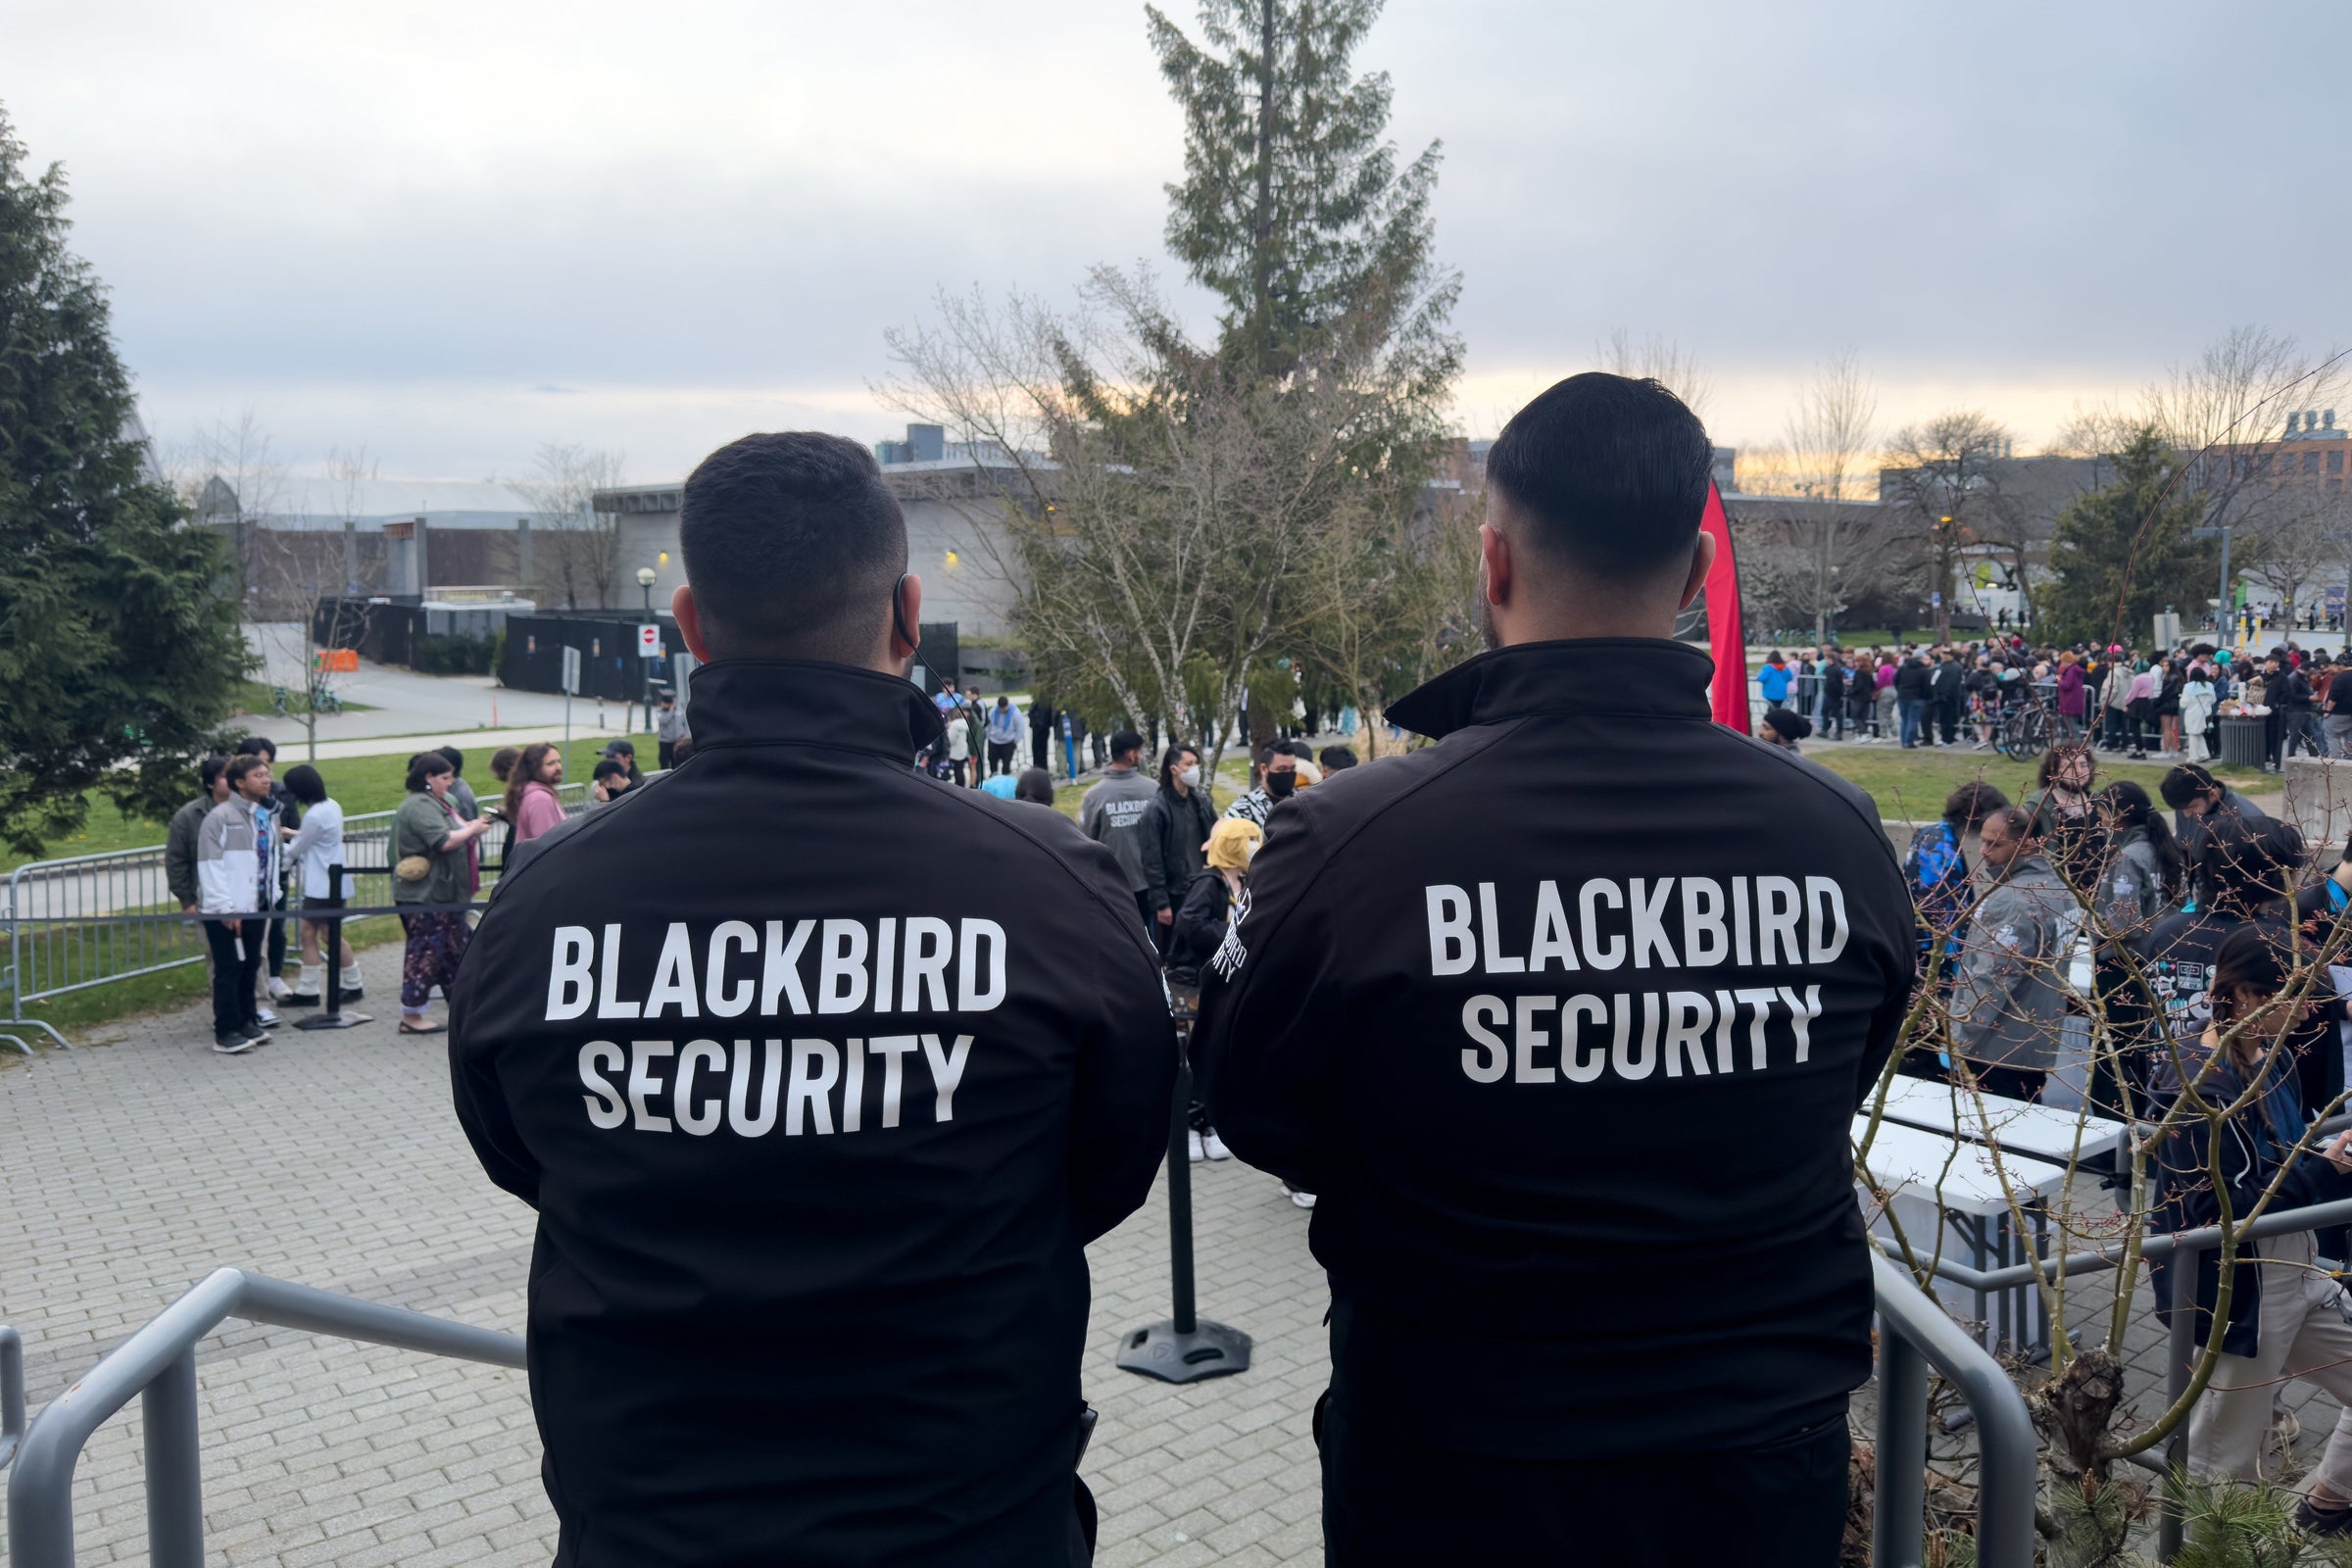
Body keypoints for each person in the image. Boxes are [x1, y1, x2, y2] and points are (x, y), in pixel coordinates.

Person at [1195, 372, 1914, 1566]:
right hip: (1748, 1468)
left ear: (1492, 564)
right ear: (1693, 578)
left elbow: (1256, 1108)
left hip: (1453, 1463)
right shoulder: (1839, 835)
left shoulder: (1350, 841)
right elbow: (1834, 1077)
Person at [448, 430, 1173, 1566]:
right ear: (907, 615)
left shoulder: (544, 900)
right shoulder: (1048, 886)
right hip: (965, 1516)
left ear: (688, 626)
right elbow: (1112, 1160)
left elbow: (522, 1153)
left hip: (654, 1522)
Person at [2152, 923, 2352, 1537]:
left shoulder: (2273, 1056)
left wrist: (2324, 1159)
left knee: (2226, 1457)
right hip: (2241, 1291)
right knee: (2222, 1465)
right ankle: (2196, 1553)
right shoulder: (2198, 1086)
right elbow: (2221, 1212)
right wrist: (2327, 1170)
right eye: (2297, 999)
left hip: (2296, 1266)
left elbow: (2285, 1157)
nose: (2309, 1015)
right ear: (2244, 996)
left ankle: (2329, 1500)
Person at [1947, 806, 2081, 1103]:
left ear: (2029, 844)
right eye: (1982, 841)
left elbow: (1990, 980)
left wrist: (1958, 1036)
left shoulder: (2011, 900)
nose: (1983, 851)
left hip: (1993, 1048)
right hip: (2035, 1046)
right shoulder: (2063, 893)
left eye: (1994, 844)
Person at [1165, 815, 1264, 1166]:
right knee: (1192, 1055)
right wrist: (1233, 931)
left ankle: (1209, 1124)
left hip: (1221, 980)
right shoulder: (1209, 882)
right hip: (1191, 981)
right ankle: (1191, 1128)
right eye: (1248, 839)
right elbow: (1190, 923)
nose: (1255, 844)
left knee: (1216, 1054)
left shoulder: (1246, 879)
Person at [390, 750, 489, 1036]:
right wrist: (473, 831)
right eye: (445, 777)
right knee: (424, 954)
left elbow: (451, 833)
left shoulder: (439, 802)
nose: (450, 782)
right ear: (428, 778)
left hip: (447, 895)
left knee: (457, 953)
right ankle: (411, 1015)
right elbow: (442, 840)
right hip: (428, 896)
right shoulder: (419, 806)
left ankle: (465, 1009)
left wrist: (472, 827)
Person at [195, 754, 280, 1055]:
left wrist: (274, 893)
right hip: (228, 909)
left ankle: (246, 1019)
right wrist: (224, 907)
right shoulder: (220, 817)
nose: (266, 779)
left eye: (267, 773)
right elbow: (211, 864)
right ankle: (225, 1029)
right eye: (258, 775)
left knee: (250, 964)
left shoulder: (265, 815)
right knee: (229, 967)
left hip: (258, 904)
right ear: (240, 783)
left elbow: (269, 857)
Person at [1902, 781, 2010, 982]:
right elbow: (1942, 919)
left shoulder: (1932, 833)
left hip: (1917, 949)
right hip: (1930, 960)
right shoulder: (1942, 852)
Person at [279, 763, 361, 1007]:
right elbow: (315, 837)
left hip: (321, 884)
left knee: (313, 933)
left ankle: (310, 989)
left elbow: (298, 848)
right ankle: (350, 981)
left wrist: (278, 853)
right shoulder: (331, 806)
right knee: (326, 933)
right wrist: (297, 833)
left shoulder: (314, 814)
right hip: (333, 880)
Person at [236, 735, 298, 1013]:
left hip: (274, 874)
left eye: (268, 767)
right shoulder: (232, 806)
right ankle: (252, 995)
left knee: (276, 929)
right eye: (258, 769)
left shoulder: (279, 795)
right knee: (248, 942)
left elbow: (293, 823)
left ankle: (273, 976)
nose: (265, 776)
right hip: (246, 881)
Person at [1139, 743, 1218, 947]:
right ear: (1173, 769)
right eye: (1188, 764)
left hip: (1203, 886)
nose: (1194, 769)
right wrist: (1162, 903)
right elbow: (1152, 860)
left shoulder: (1201, 803)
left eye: (1196, 764)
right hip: (1176, 894)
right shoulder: (1157, 809)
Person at [1079, 730, 1158, 931]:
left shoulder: (1094, 796)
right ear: (1132, 755)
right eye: (1140, 752)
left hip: (1112, 885)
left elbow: (1084, 840)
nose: (1141, 757)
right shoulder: (1154, 790)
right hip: (1152, 883)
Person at [2161, 762, 2271, 863]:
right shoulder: (2186, 806)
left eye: (2192, 807)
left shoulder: (2246, 820)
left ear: (2213, 794)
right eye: (2181, 809)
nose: (2186, 815)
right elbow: (2184, 850)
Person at [166, 756, 231, 916]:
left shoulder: (251, 810)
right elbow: (176, 860)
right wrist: (187, 901)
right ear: (210, 783)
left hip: (249, 900)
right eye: (224, 776)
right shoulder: (188, 816)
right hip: (208, 902)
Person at [504, 743, 567, 846]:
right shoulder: (540, 799)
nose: (558, 767)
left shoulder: (532, 793)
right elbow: (547, 845)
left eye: (558, 761)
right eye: (551, 763)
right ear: (535, 768)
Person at [1224, 743, 1298, 825]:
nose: (1288, 773)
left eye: (1292, 769)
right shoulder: (1245, 808)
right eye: (1282, 769)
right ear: (1264, 769)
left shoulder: (1304, 800)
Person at [2180, 663, 2218, 762]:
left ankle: (2194, 757)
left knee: (2193, 734)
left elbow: (2184, 703)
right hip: (2206, 714)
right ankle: (2204, 754)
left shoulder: (2188, 687)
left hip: (2192, 714)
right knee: (2199, 734)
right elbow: (2213, 700)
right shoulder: (2209, 686)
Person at [1894, 648, 1931, 748]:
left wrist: (1900, 690)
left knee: (1904, 719)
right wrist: (1924, 696)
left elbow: (1896, 681)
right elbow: (1926, 686)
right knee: (1913, 720)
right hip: (1916, 697)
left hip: (1902, 695)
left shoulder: (1903, 668)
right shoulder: (1923, 670)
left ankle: (1903, 741)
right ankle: (1909, 741)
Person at [986, 694, 1023, 776]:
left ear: (1007, 705)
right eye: (1000, 708)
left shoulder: (1015, 713)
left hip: (1008, 742)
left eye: (1004, 708)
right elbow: (988, 724)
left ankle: (1005, 778)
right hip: (994, 741)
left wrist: (1015, 741)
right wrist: (989, 736)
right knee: (992, 761)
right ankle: (993, 776)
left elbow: (1020, 728)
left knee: (1006, 764)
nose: (1002, 710)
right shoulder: (994, 711)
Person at [655, 690, 688, 769]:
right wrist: (671, 711)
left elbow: (683, 723)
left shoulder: (679, 712)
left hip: (677, 740)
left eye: (664, 703)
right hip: (665, 741)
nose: (662, 705)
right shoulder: (659, 712)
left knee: (676, 762)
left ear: (669, 704)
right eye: (662, 703)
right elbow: (664, 720)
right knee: (664, 762)